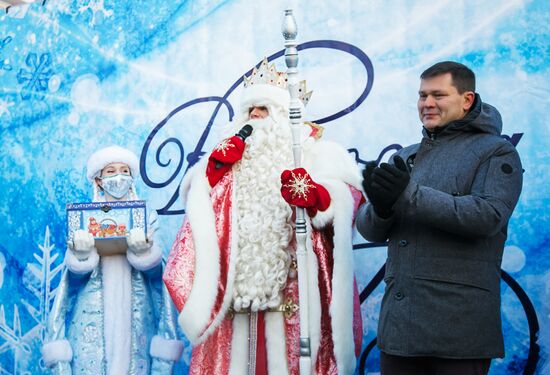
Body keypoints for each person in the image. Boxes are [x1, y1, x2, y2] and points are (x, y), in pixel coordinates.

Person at [163, 58, 363, 374]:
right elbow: (199, 209)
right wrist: (214, 171)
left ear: (285, 117)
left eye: (264, 110)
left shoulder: (314, 153)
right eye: (249, 110)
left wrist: (314, 196)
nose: (254, 117)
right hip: (236, 303)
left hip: (294, 295)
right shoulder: (227, 157)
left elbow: (348, 197)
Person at [356, 61, 523, 374]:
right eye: (422, 96)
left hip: (457, 331)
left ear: (467, 100)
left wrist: (407, 195)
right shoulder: (406, 155)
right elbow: (370, 230)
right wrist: (380, 208)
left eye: (438, 95)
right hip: (400, 332)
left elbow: (488, 216)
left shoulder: (497, 152)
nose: (427, 103)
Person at [41, 145, 183, 374]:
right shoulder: (83, 220)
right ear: (98, 180)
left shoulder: (146, 216)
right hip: (91, 321)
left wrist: (145, 253)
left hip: (137, 320)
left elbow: (159, 281)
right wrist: (81, 257)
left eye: (125, 171)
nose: (119, 177)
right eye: (111, 171)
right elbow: (70, 286)